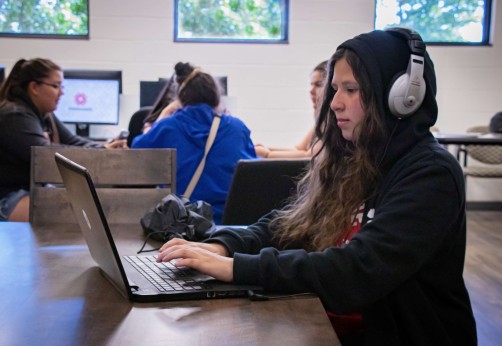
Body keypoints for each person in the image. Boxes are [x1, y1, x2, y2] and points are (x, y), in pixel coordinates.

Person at [156, 29, 477, 345]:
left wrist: (236, 268)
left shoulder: (430, 174)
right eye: (335, 89)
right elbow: (289, 224)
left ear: (401, 98)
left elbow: (356, 271)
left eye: (351, 89)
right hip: (326, 321)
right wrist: (223, 245)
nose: (335, 102)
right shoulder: (353, 157)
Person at [0, 58, 126, 222]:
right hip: (8, 196)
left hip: (29, 190)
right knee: (74, 216)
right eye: (55, 86)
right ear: (34, 88)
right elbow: (45, 157)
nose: (62, 92)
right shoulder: (15, 115)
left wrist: (105, 149)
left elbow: (73, 141)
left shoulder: (44, 114)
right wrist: (101, 152)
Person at [132, 62, 256, 224]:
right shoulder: (237, 127)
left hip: (181, 224)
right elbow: (250, 171)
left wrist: (164, 114)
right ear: (216, 97)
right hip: (228, 225)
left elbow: (136, 153)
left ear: (181, 98)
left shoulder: (168, 126)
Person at [254, 60, 326, 158]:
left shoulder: (332, 121)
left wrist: (267, 154)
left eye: (318, 85)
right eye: (311, 84)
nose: (311, 91)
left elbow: (309, 155)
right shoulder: (321, 119)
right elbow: (298, 149)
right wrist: (267, 148)